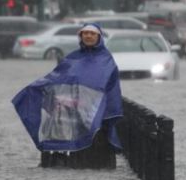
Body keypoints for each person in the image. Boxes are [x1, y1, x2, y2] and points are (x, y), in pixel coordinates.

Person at [12, 22, 123, 169]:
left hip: (96, 114)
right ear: (80, 36)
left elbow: (110, 86)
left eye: (92, 33)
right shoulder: (72, 58)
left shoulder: (106, 59)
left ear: (99, 37)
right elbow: (57, 77)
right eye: (85, 33)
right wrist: (39, 87)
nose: (88, 36)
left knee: (94, 147)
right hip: (70, 113)